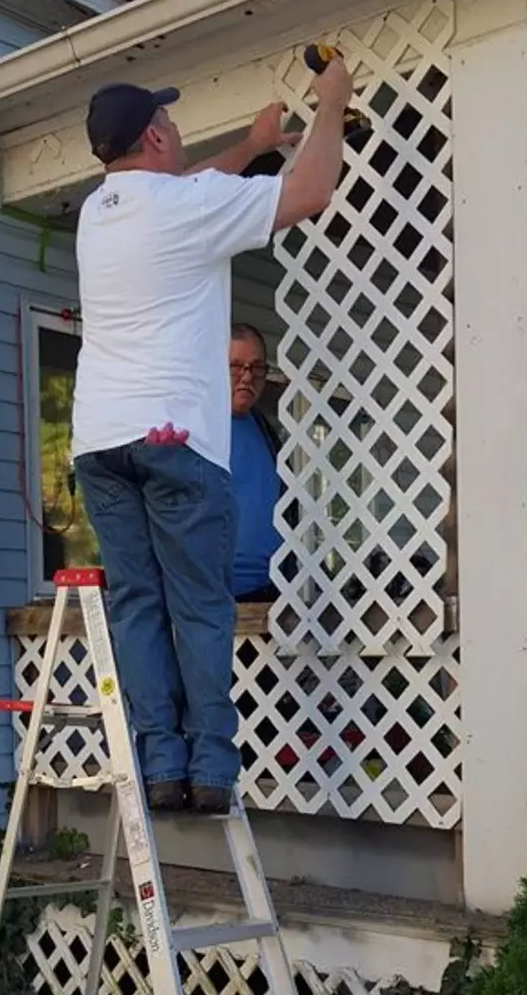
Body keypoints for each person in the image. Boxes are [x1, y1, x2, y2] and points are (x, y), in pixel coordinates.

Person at [72, 62, 354, 815]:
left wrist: (251, 145)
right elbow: (311, 191)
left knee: (139, 603)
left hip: (99, 439)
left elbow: (191, 185)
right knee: (200, 604)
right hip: (173, 437)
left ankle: (161, 764)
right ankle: (211, 772)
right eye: (171, 121)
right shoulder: (184, 209)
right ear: (157, 134)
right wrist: (332, 105)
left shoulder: (101, 210)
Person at [229, 323, 281, 603]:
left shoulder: (262, 426)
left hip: (272, 591)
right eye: (235, 366)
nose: (247, 377)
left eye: (257, 368)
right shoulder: (196, 427)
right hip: (215, 597)